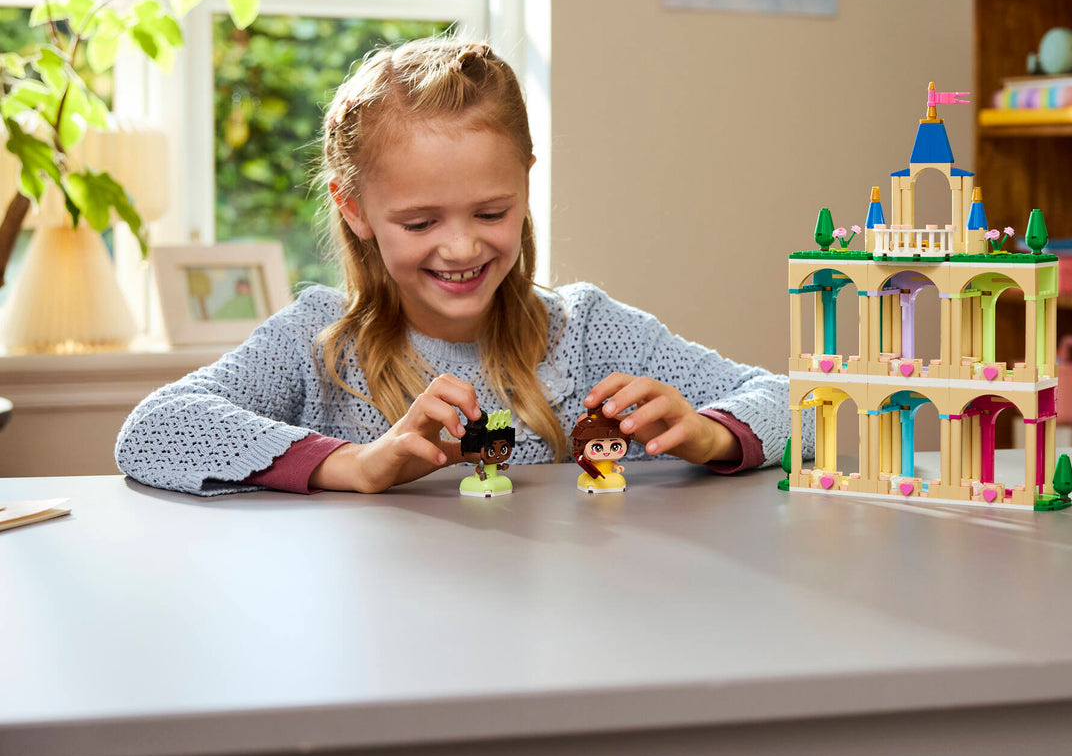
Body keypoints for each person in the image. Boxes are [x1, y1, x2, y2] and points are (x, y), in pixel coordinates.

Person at [116, 37, 803, 496]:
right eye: (420, 223)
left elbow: (800, 406)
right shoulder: (317, 341)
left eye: (490, 212)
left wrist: (712, 431)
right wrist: (351, 462)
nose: (461, 247)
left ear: (526, 183)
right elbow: (155, 428)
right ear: (353, 207)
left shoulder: (586, 331)